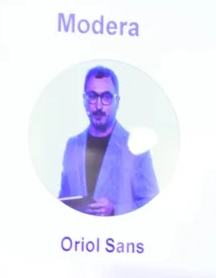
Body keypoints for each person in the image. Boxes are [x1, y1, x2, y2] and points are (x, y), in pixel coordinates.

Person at [60, 66, 159, 216]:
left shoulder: (137, 147)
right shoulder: (72, 146)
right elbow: (64, 201)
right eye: (92, 96)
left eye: (106, 97)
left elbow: (152, 203)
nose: (98, 106)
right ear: (84, 100)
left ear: (117, 102)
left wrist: (115, 210)